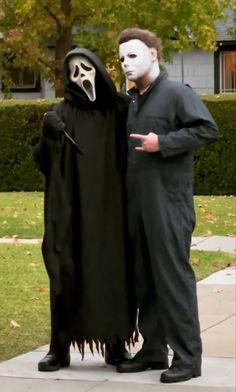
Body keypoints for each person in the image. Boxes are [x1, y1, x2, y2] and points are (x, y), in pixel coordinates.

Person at [116, 28, 219, 383]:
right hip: (137, 204)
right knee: (145, 279)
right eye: (121, 58)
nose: (126, 63)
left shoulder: (176, 93)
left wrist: (166, 142)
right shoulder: (132, 100)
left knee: (173, 280)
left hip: (168, 205)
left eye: (132, 55)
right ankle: (154, 350)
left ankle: (189, 358)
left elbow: (208, 129)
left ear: (153, 54)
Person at [34, 47, 136, 372]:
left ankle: (116, 344)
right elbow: (43, 164)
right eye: (74, 70)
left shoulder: (119, 108)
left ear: (98, 70)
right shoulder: (61, 112)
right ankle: (59, 348)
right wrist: (47, 137)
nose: (81, 76)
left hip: (111, 207)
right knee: (67, 272)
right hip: (73, 208)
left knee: (113, 271)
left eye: (86, 68)